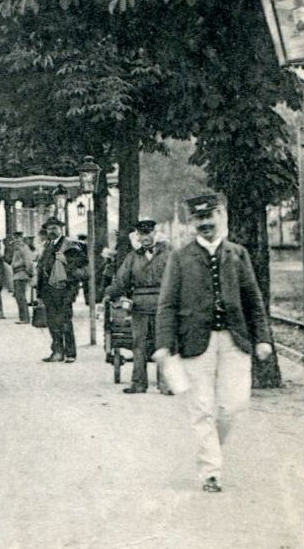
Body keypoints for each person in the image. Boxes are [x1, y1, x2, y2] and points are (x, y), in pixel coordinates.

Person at [153, 194, 273, 493]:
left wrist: (262, 338)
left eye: (211, 217)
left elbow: (254, 300)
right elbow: (166, 304)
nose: (206, 224)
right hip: (195, 342)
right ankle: (211, 472)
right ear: (193, 222)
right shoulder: (180, 258)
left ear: (222, 217)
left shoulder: (238, 254)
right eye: (199, 218)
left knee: (233, 405)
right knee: (202, 407)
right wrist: (164, 344)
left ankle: (209, 450)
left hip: (235, 340)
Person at [104, 218, 172, 395]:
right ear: (138, 236)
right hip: (139, 307)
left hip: (163, 306)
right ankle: (139, 383)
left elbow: (178, 280)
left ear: (155, 234)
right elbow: (121, 281)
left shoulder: (168, 254)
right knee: (138, 344)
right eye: (142, 234)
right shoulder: (133, 257)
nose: (145, 237)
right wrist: (109, 293)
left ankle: (165, 384)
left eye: (148, 233)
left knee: (163, 344)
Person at [36, 218, 84, 362]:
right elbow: (42, 268)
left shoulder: (69, 246)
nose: (52, 231)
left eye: (55, 228)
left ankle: (70, 353)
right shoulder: (48, 245)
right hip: (48, 291)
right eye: (49, 229)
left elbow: (79, 266)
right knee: (52, 322)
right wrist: (39, 292)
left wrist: (66, 262)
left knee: (64, 321)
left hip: (64, 290)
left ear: (61, 229)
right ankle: (57, 352)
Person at [8, 232, 34, 323]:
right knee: (18, 297)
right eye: (15, 238)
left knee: (21, 297)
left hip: (21, 274)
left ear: (22, 238)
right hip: (16, 275)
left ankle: (25, 318)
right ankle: (22, 318)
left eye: (18, 238)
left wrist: (29, 273)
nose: (16, 240)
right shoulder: (16, 248)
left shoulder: (24, 248)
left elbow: (29, 262)